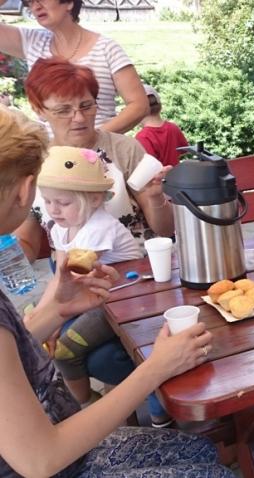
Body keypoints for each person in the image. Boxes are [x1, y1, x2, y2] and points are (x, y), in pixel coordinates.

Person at [0, 105, 231, 477]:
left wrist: (55, 311)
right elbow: (40, 460)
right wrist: (156, 368)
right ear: (27, 189)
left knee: (202, 449)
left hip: (56, 445)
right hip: (53, 461)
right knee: (213, 472)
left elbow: (11, 353)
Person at [16, 57, 176, 426]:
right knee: (65, 347)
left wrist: (155, 198)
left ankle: (133, 414)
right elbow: (28, 235)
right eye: (64, 109)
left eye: (86, 105)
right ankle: (114, 417)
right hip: (74, 281)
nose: (79, 118)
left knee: (95, 356)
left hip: (131, 280)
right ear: (39, 109)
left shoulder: (123, 150)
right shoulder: (34, 161)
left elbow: (165, 231)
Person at [38, 145, 143, 408]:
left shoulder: (98, 228)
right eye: (47, 201)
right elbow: (60, 279)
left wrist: (49, 322)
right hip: (94, 295)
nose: (53, 210)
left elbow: (71, 279)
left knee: (63, 350)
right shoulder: (62, 227)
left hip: (124, 300)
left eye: (63, 203)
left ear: (95, 200)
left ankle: (85, 406)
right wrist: (41, 316)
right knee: (39, 323)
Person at [0, 0, 147, 133]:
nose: (36, 7)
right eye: (30, 2)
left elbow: (139, 105)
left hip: (99, 151)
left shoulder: (106, 49)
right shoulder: (33, 42)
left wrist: (94, 139)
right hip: (50, 152)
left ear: (69, 3)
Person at [135, 84, 189, 167]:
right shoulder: (173, 127)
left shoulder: (143, 137)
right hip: (177, 174)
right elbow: (184, 150)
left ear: (137, 111)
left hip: (159, 176)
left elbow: (149, 167)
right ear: (160, 106)